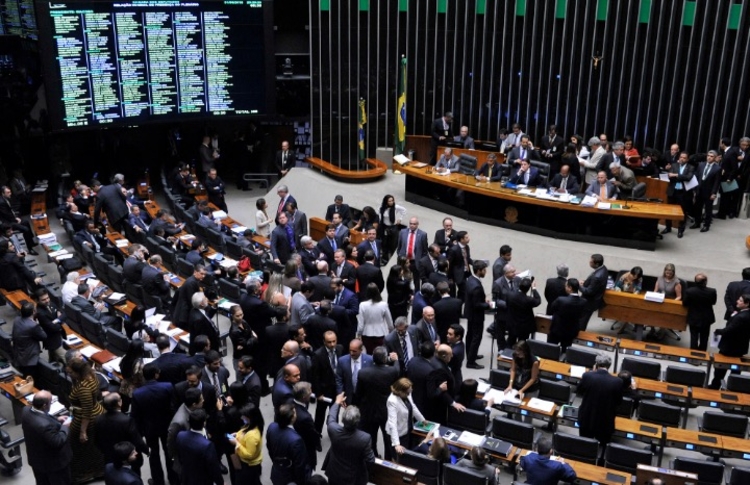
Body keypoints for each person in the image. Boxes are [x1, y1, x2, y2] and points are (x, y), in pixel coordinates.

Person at [131, 363, 178, 485]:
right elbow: (173, 407)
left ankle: (158, 480)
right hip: (167, 425)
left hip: (149, 428)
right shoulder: (167, 386)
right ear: (156, 374)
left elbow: (135, 416)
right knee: (169, 453)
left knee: (153, 455)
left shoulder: (137, 393)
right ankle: (174, 479)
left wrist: (139, 433)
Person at [354, 346, 400, 459]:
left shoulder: (363, 373)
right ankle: (388, 460)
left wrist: (355, 406)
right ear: (385, 359)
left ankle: (373, 457)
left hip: (368, 410)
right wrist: (395, 360)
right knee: (388, 438)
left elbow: (358, 393)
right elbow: (397, 369)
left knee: (370, 437)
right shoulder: (392, 371)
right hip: (386, 411)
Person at [22, 390, 73, 485]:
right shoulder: (44, 426)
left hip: (36, 460)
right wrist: (65, 426)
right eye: (51, 402)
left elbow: (42, 418)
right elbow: (58, 441)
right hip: (54, 464)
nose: (51, 404)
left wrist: (56, 420)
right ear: (44, 405)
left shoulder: (26, 410)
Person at [67, 358, 106, 483]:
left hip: (86, 420)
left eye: (71, 373)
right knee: (94, 445)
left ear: (78, 372)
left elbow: (87, 411)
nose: (69, 375)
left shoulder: (84, 388)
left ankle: (84, 473)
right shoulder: (91, 375)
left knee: (80, 447)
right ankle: (98, 469)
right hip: (97, 412)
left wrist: (83, 431)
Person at [324, 394, 376, 485]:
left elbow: (331, 417)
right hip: (354, 477)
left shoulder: (333, 430)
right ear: (358, 421)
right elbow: (370, 460)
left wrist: (337, 402)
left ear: (342, 419)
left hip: (335, 472)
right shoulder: (365, 438)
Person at [578, 354, 623, 450]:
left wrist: (592, 372)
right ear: (609, 366)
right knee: (603, 447)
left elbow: (579, 392)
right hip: (605, 420)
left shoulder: (587, 376)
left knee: (584, 444)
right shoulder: (618, 381)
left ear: (596, 364)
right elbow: (619, 402)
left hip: (587, 417)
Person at [710, 293, 750, 389]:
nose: (737, 301)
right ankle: (733, 387)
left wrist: (718, 331)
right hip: (740, 347)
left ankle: (715, 386)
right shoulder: (745, 314)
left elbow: (729, 330)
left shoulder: (741, 317)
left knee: (720, 368)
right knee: (736, 369)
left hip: (729, 347)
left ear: (747, 303)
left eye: (740, 300)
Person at [175, 409, 223, 485]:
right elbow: (214, 468)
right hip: (203, 479)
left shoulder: (180, 435)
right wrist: (221, 483)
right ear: (204, 423)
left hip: (186, 476)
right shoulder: (207, 445)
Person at [266, 403, 308, 485]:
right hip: (289, 477)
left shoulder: (271, 426)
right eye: (295, 412)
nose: (296, 414)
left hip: (277, 470)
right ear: (292, 418)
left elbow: (269, 448)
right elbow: (299, 465)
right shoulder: (296, 440)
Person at [386, 377, 426, 455]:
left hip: (408, 429)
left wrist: (422, 420)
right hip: (398, 434)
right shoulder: (392, 401)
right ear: (400, 391)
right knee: (399, 458)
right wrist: (397, 444)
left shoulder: (407, 393)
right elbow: (392, 423)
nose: (409, 394)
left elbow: (412, 406)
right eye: (408, 393)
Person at [229, 404, 265, 485]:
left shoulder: (252, 436)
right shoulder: (252, 425)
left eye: (244, 416)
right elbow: (244, 431)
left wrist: (236, 443)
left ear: (251, 418)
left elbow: (249, 454)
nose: (242, 418)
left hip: (249, 465)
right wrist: (237, 434)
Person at [12, 301, 46, 382]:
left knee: (25, 376)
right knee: (31, 380)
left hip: (19, 354)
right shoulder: (33, 325)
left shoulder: (17, 320)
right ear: (33, 312)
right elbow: (43, 336)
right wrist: (37, 324)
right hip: (30, 359)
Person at [548, 279, 586, 353]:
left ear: (570, 288)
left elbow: (551, 309)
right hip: (571, 331)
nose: (565, 288)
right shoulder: (583, 302)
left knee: (550, 350)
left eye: (566, 286)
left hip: (557, 329)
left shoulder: (561, 300)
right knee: (565, 352)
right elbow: (582, 315)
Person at [662, 151, 695, 238]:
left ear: (687, 159)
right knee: (668, 210)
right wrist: (676, 176)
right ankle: (668, 227)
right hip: (673, 191)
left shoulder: (691, 167)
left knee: (682, 212)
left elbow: (688, 178)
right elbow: (669, 175)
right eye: (681, 157)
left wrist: (676, 175)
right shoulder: (674, 165)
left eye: (684, 158)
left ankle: (680, 230)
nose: (682, 159)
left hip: (683, 192)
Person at [464, 260, 489, 369]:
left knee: (470, 335)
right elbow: (478, 305)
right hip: (476, 316)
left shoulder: (470, 279)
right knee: (476, 338)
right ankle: (471, 362)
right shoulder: (477, 287)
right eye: (484, 270)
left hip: (470, 313)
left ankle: (470, 354)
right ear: (479, 271)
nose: (485, 272)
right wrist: (488, 305)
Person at [357, 283, 394, 353]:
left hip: (367, 334)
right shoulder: (383, 305)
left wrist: (359, 334)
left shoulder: (362, 305)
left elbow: (361, 323)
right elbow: (390, 323)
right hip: (381, 333)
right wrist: (391, 332)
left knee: (369, 353)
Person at [292, 382, 320, 471]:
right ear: (304, 397)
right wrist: (318, 444)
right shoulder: (305, 417)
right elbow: (313, 435)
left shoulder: (291, 403)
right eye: (310, 393)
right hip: (305, 448)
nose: (311, 395)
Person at [336, 339, 373, 405]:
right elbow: (339, 379)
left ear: (361, 350)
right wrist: (340, 395)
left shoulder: (370, 360)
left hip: (365, 397)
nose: (351, 353)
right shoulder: (342, 361)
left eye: (354, 351)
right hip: (349, 396)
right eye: (350, 350)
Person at [506, 277, 541, 345]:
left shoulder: (510, 295)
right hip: (524, 327)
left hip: (512, 324)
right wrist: (534, 289)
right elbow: (538, 300)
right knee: (521, 344)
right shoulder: (529, 300)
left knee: (510, 341)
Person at [691, 150, 721, 232]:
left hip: (709, 191)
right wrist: (694, 188)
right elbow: (696, 176)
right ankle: (697, 222)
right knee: (697, 207)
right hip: (699, 189)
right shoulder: (701, 165)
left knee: (708, 209)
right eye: (708, 155)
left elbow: (716, 182)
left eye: (711, 156)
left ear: (715, 158)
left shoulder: (717, 168)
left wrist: (714, 193)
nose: (709, 157)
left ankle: (706, 225)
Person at [35, 288, 66, 364]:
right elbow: (53, 328)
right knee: (67, 359)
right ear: (37, 301)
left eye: (47, 298)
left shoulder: (51, 304)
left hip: (59, 336)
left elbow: (63, 314)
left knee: (53, 359)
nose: (47, 301)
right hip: (52, 341)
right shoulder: (40, 313)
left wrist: (57, 320)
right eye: (43, 300)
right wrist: (60, 320)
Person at [579, 254, 608, 330]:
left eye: (591, 262)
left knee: (582, 321)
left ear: (597, 264)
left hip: (589, 303)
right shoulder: (604, 269)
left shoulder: (597, 277)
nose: (589, 262)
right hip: (594, 300)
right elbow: (595, 285)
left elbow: (589, 291)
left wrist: (578, 286)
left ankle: (578, 336)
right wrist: (586, 283)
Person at [378, 194, 406, 265]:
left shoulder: (395, 207)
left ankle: (394, 259)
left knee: (394, 243)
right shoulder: (382, 208)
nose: (391, 202)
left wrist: (400, 219)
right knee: (384, 243)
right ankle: (385, 259)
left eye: (392, 201)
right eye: (389, 201)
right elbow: (380, 216)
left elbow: (404, 210)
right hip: (385, 227)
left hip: (393, 227)